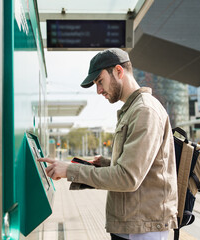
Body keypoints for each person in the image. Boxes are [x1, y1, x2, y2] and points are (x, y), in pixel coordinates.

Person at [38, 48, 178, 240]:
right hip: (132, 224)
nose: (98, 90)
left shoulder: (145, 110)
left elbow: (128, 178)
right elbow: (137, 169)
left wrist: (70, 171)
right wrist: (105, 163)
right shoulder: (132, 110)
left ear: (119, 71)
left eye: (100, 81)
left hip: (142, 228)